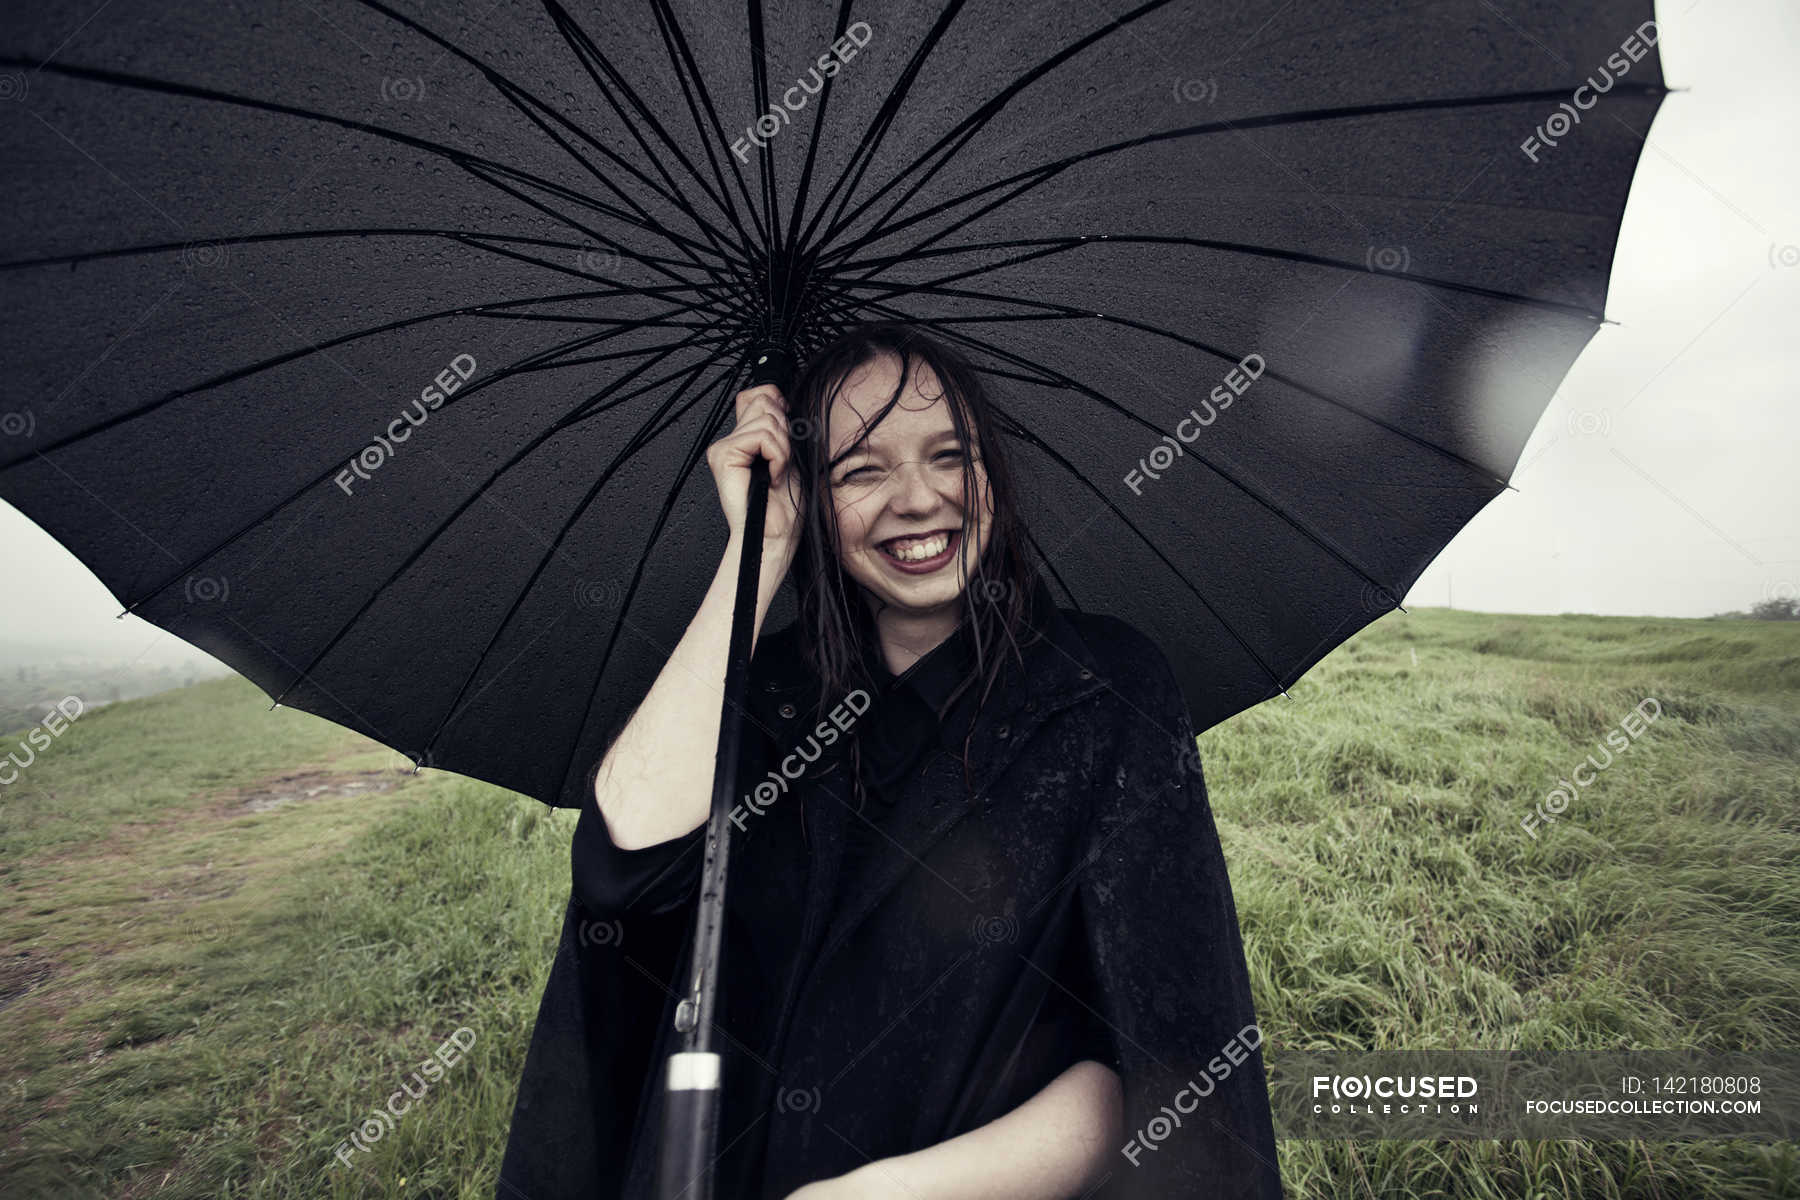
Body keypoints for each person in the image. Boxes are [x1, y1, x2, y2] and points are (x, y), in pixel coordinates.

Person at [496, 324, 1283, 1199]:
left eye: (951, 455)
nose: (917, 499)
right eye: (862, 470)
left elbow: (1154, 1061)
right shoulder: (766, 693)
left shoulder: (1103, 688)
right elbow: (624, 873)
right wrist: (757, 550)